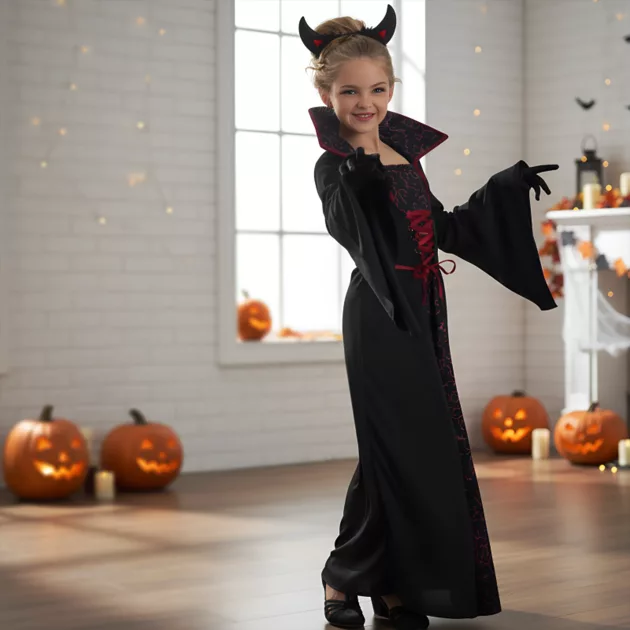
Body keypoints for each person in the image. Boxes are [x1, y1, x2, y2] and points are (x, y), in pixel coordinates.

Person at [300, 5, 558, 630]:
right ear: (327, 95)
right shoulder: (333, 165)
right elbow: (349, 225)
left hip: (425, 310)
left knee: (418, 449)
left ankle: (393, 583)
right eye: (350, 92)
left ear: (391, 89)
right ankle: (344, 575)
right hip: (380, 312)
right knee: (390, 447)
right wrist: (360, 177)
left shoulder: (405, 156)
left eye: (377, 89)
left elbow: (441, 227)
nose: (366, 103)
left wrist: (504, 187)